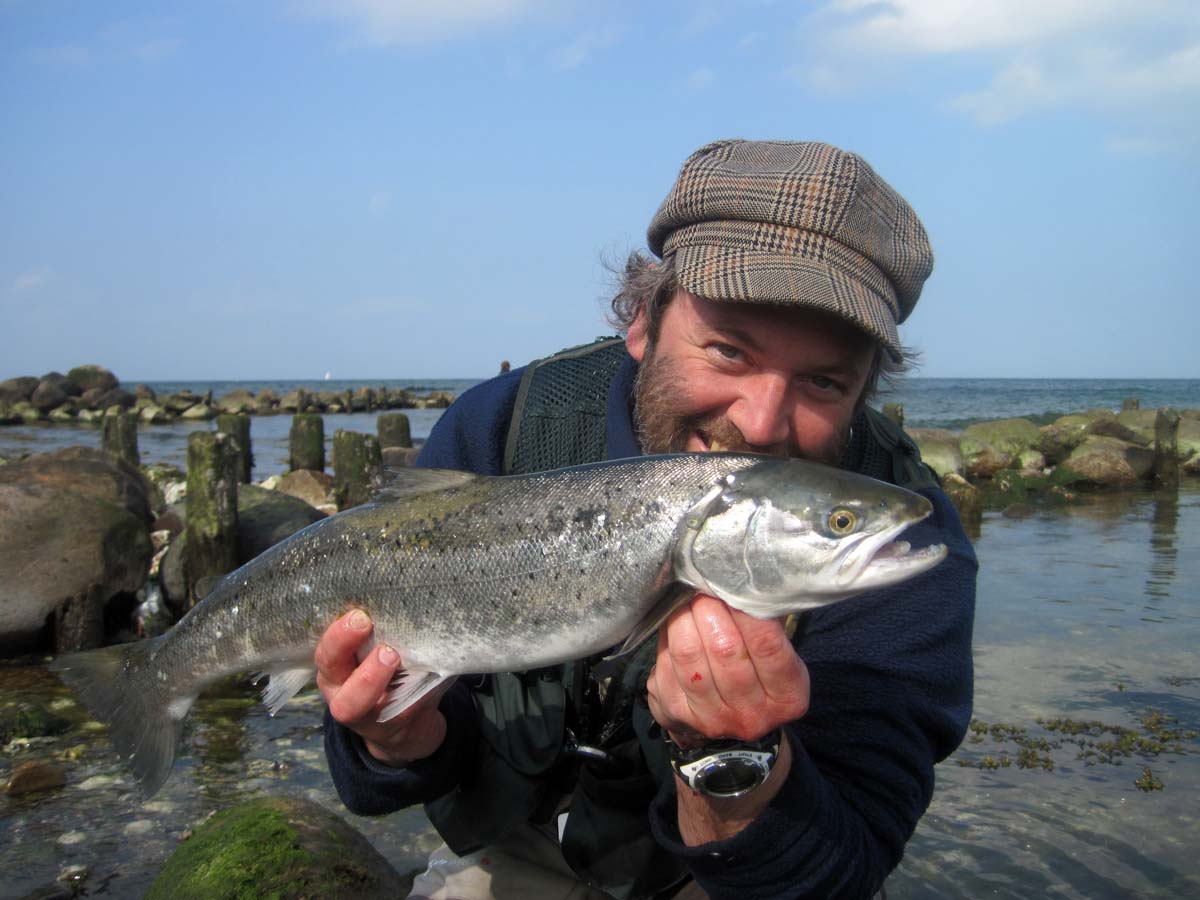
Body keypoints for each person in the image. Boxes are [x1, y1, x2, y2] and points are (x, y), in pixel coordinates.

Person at [317, 140, 978, 900]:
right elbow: (376, 783)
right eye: (729, 351)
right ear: (641, 321)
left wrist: (730, 762)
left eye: (825, 381)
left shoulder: (895, 540)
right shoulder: (505, 431)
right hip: (520, 853)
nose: (761, 423)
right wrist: (394, 738)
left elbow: (839, 868)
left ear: (866, 389)